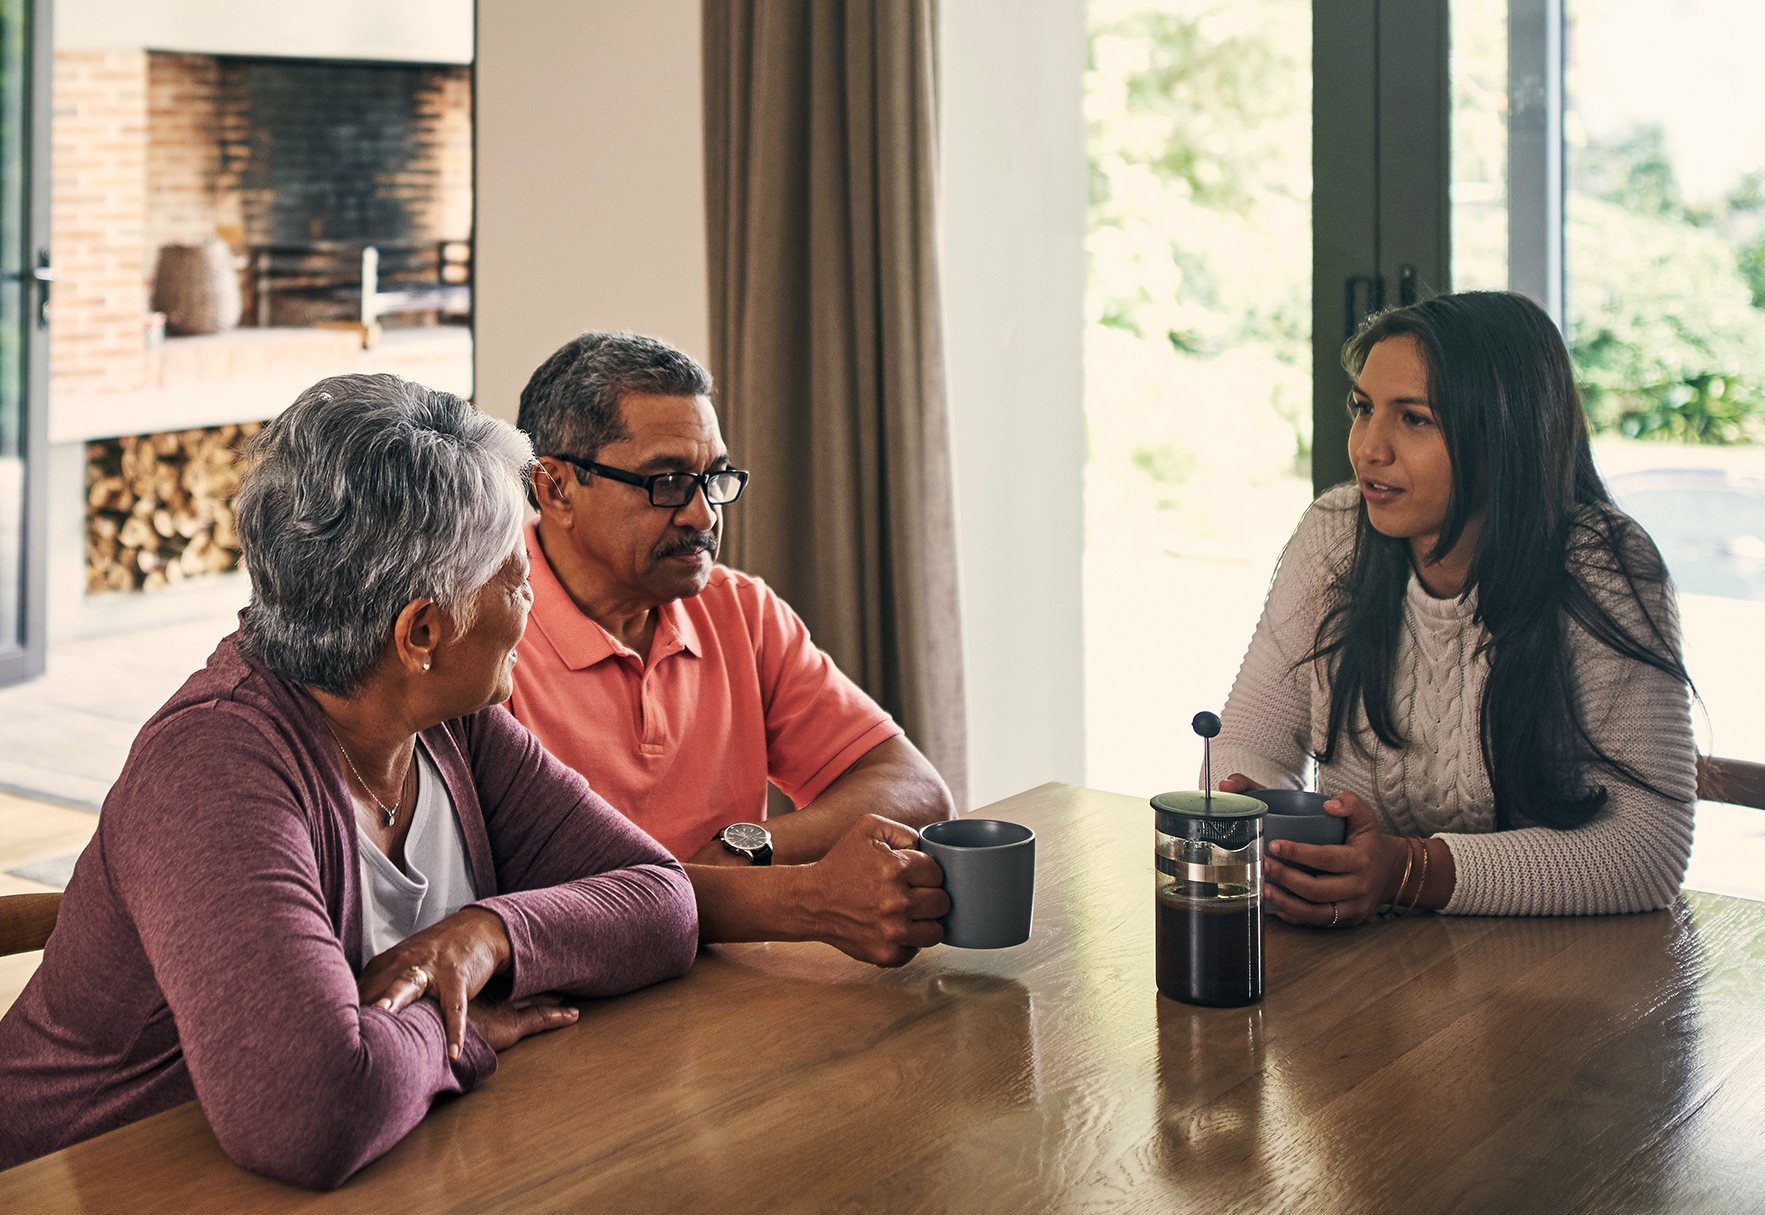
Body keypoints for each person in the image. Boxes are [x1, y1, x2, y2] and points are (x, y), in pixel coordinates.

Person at [0, 376, 698, 1188]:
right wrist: (455, 1029)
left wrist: (481, 939)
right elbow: (310, 1112)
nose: (532, 599)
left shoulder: (450, 725)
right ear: (423, 631)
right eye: (515, 576)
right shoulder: (210, 771)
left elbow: (660, 899)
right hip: (78, 1182)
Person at [1210, 291, 1697, 925]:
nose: (1368, 449)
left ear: (1506, 434)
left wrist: (1408, 870)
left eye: (1414, 419)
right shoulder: (1337, 531)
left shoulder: (1600, 564)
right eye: (1363, 409)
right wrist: (1264, 820)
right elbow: (1245, 742)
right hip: (1372, 961)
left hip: (1555, 977)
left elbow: (1647, 850)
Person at [507, 332, 954, 968]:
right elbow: (536, 900)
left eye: (714, 479)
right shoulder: (484, 638)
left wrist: (752, 847)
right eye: (666, 482)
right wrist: (801, 899)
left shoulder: (738, 609)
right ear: (553, 487)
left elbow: (913, 787)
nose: (703, 515)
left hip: (736, 994)